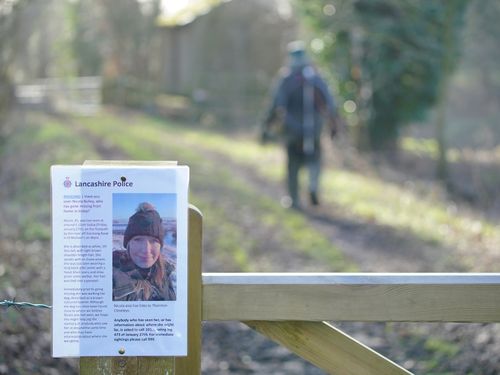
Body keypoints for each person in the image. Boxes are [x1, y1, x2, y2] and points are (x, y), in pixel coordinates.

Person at [262, 40, 339, 209]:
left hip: (292, 130)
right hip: (314, 129)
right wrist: (334, 125)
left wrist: (267, 126)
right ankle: (313, 187)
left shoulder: (286, 78)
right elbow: (330, 103)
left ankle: (294, 199)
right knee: (315, 160)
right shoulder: (317, 78)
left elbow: (276, 104)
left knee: (293, 165)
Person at [113, 202, 176, 301]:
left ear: (160, 245)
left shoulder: (164, 272)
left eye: (154, 241)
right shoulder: (113, 276)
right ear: (128, 244)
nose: (146, 250)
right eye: (138, 240)